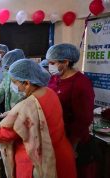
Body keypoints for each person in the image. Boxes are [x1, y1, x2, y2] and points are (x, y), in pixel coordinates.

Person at [0, 59, 77, 178]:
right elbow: (41, 116)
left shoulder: (26, 106)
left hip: (38, 162)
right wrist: (12, 113)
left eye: (15, 82)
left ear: (27, 83)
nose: (14, 86)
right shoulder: (50, 92)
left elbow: (5, 134)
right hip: (61, 155)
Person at [46, 43, 95, 178]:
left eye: (52, 63)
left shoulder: (81, 83)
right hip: (56, 135)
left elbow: (84, 119)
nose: (50, 66)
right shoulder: (55, 78)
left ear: (66, 62)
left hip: (73, 140)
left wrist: (72, 144)